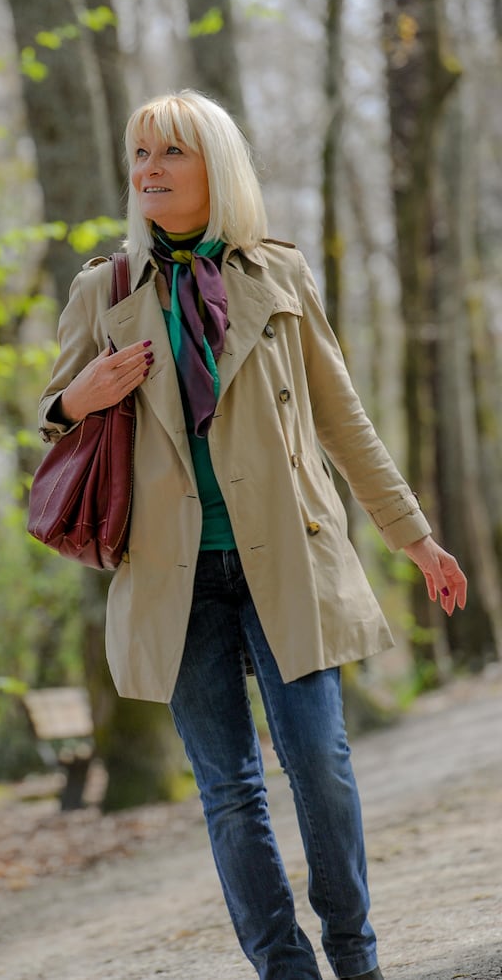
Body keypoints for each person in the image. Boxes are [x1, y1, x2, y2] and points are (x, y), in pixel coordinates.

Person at [37, 89, 468, 980]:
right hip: (171, 572)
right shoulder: (104, 288)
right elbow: (52, 417)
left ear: (215, 167)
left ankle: (356, 958)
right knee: (230, 792)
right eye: (141, 154)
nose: (149, 171)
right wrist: (81, 399)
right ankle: (285, 969)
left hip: (290, 557)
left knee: (321, 765)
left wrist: (413, 535)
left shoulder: (278, 273)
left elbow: (344, 421)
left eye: (171, 154)